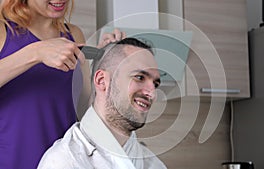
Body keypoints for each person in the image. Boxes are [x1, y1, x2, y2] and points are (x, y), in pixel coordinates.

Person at [0, 0, 124, 169]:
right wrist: (36, 52)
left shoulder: (73, 34)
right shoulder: (3, 29)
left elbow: (84, 109)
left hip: (64, 162)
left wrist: (105, 66)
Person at [37, 38, 168, 169]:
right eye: (139, 77)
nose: (152, 94)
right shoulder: (63, 162)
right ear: (102, 81)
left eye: (155, 84)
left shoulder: (154, 165)